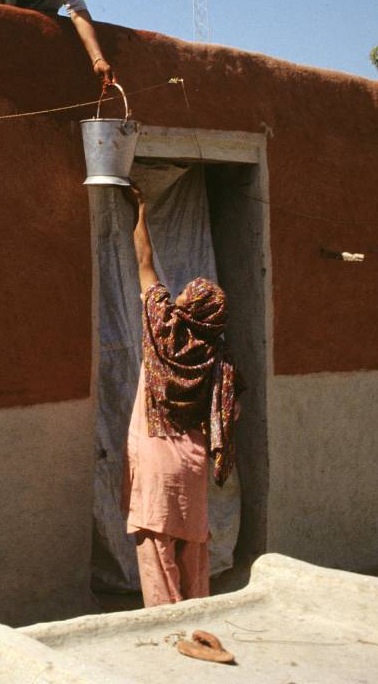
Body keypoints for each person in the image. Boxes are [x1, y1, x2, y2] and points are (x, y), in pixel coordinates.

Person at [121, 185, 239, 607]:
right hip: (192, 462)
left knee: (156, 553)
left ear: (187, 308)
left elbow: (144, 261)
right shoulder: (216, 356)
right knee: (193, 555)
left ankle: (167, 630)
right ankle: (197, 619)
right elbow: (229, 411)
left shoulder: (164, 328)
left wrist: (140, 209)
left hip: (156, 457)